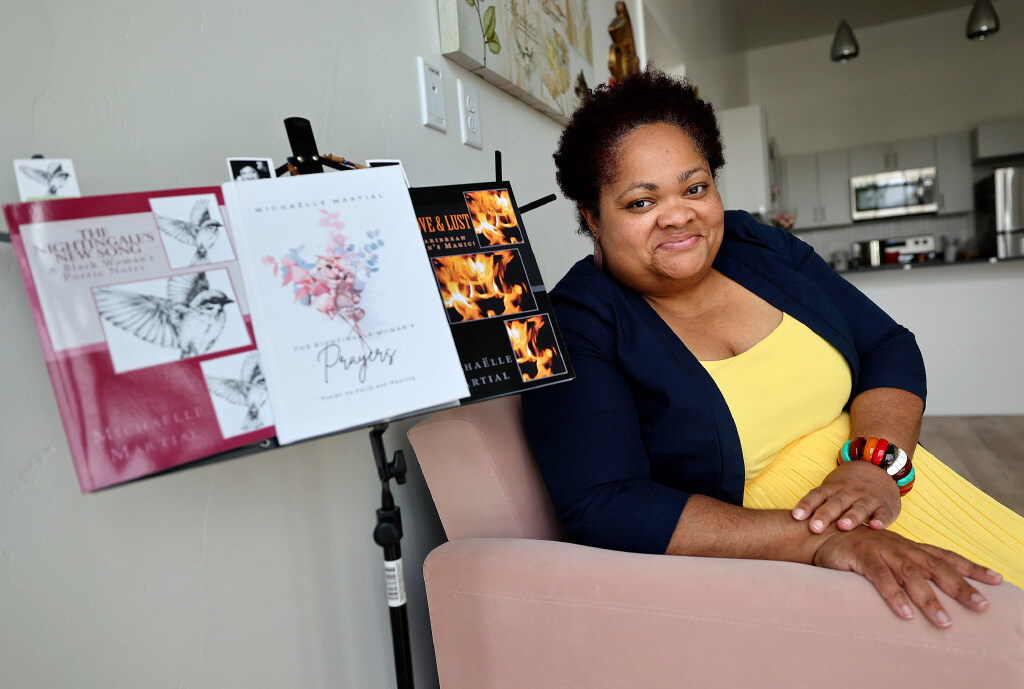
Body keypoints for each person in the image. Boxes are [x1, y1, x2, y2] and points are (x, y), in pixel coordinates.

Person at [521, 69, 1024, 629]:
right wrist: (819, 542)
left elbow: (886, 344)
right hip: (788, 562)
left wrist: (876, 466)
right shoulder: (576, 321)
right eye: (641, 202)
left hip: (905, 492)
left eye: (695, 187)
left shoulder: (755, 245)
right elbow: (604, 503)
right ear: (592, 216)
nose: (679, 214)